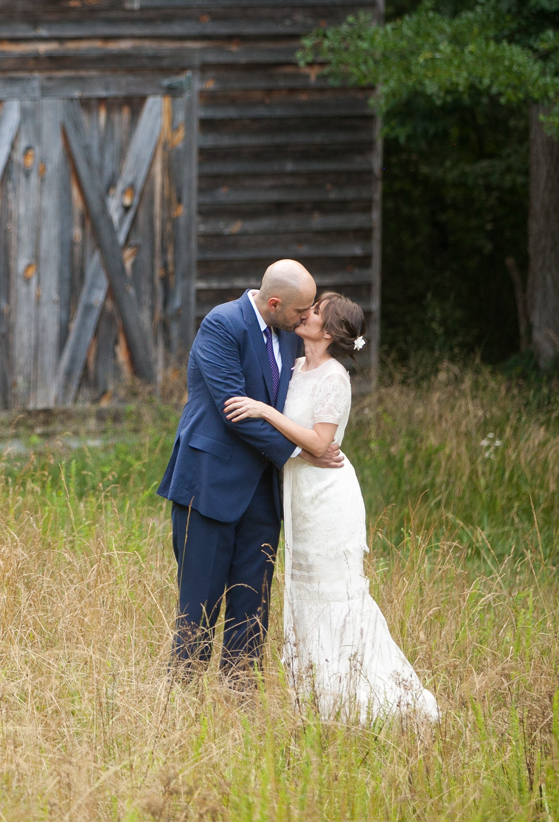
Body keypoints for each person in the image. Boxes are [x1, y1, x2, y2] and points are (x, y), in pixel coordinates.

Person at [224, 292, 439, 722]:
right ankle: (320, 698)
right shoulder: (295, 366)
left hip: (328, 497)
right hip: (299, 497)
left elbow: (321, 442)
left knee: (333, 592)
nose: (307, 313)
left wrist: (264, 411)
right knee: (305, 593)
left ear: (330, 332)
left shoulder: (334, 377)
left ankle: (372, 697)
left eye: (317, 311)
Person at [156, 259, 344, 682]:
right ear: (274, 304)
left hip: (263, 492)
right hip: (209, 486)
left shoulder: (290, 335)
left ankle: (240, 703)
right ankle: (181, 701)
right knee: (198, 608)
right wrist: (301, 452)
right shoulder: (222, 325)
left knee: (252, 609)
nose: (306, 318)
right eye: (300, 311)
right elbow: (234, 410)